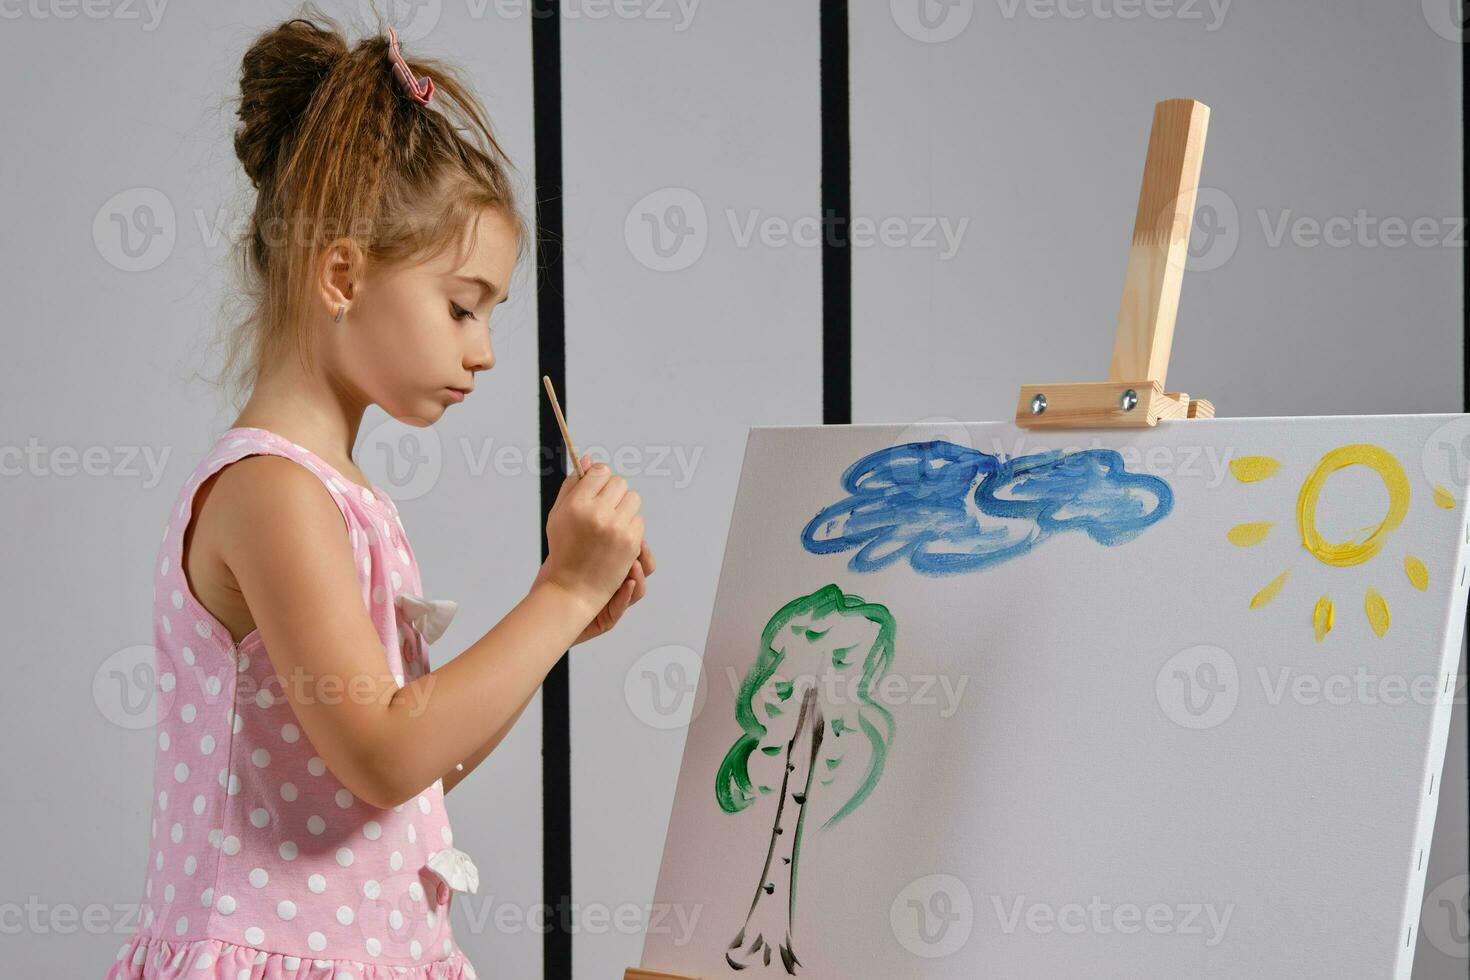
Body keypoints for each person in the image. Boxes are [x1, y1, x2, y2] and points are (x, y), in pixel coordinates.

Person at [104, 7, 653, 977]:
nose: (483, 349)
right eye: (461, 304)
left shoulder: (336, 496)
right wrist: (558, 592)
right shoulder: (274, 493)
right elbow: (387, 752)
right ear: (343, 271)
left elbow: (408, 777)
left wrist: (559, 624)